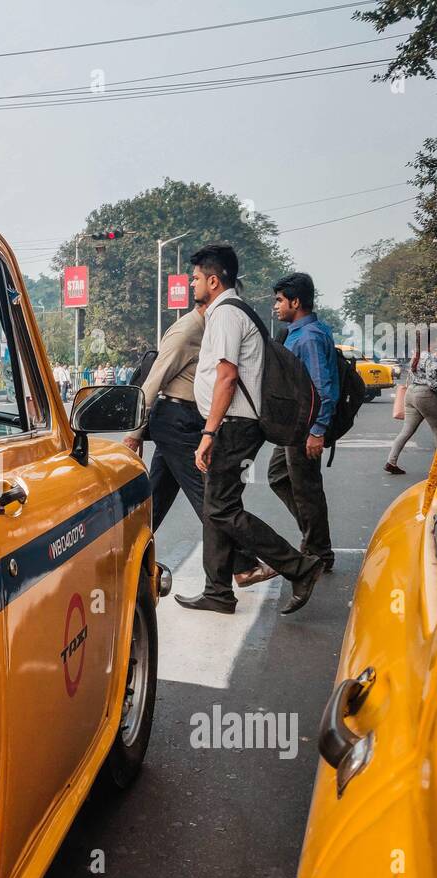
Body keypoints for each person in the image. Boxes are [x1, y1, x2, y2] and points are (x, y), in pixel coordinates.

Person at [174, 244, 322, 616]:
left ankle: (299, 566)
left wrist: (208, 434)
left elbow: (226, 377)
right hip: (235, 424)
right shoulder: (233, 311)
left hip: (233, 425)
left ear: (213, 279)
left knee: (220, 509)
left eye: (195, 279)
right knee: (217, 506)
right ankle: (218, 591)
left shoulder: (225, 314)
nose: (192, 285)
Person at [123, 302, 270, 588]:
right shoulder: (188, 330)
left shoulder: (211, 330)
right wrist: (136, 432)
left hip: (184, 419)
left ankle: (118, 556)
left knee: (155, 497)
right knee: (207, 496)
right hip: (177, 419)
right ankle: (244, 565)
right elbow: (154, 380)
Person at [267, 272, 339, 571]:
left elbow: (323, 388)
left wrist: (317, 431)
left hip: (305, 427)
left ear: (296, 302)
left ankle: (319, 552)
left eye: (280, 301)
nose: (276, 306)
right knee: (278, 476)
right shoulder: (298, 332)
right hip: (293, 428)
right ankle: (313, 538)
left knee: (306, 490)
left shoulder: (309, 336)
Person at [385, 331, 437, 474]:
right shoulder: (431, 358)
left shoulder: (416, 354)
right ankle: (435, 469)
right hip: (424, 395)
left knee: (406, 431)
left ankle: (391, 461)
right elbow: (433, 383)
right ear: (431, 342)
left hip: (410, 393)